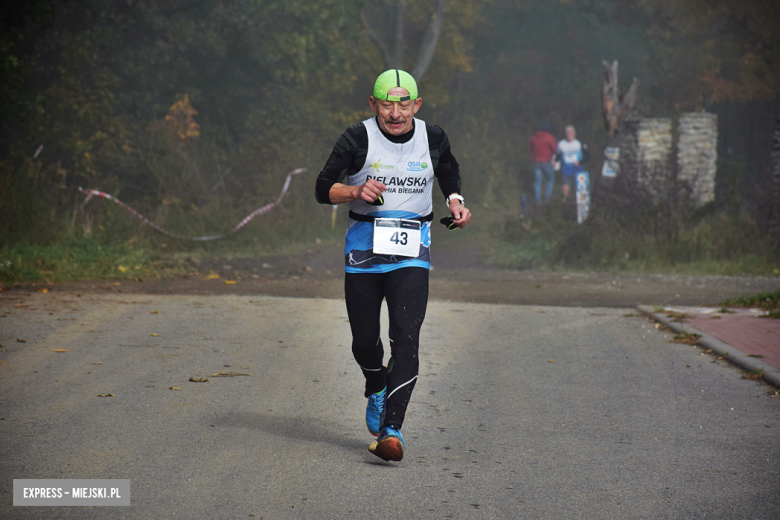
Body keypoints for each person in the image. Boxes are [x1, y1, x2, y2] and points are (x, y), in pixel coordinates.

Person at [315, 69, 471, 462]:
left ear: (417, 105)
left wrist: (455, 199)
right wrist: (354, 190)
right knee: (365, 342)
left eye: (404, 103)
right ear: (374, 105)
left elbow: (448, 168)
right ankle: (376, 385)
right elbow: (322, 188)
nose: (396, 112)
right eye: (388, 103)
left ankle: (392, 429)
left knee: (406, 337)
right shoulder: (357, 138)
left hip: (410, 256)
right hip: (364, 257)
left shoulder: (433, 137)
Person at [557, 125, 590, 202]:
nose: (569, 134)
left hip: (578, 170)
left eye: (570, 132)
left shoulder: (579, 143)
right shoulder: (561, 144)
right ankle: (564, 204)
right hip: (566, 171)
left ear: (574, 133)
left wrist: (580, 162)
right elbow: (558, 156)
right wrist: (555, 163)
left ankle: (582, 207)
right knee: (565, 189)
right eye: (567, 132)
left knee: (581, 189)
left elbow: (588, 156)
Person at [529, 121, 558, 207]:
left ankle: (538, 202)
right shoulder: (550, 137)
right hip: (546, 162)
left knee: (537, 182)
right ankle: (546, 200)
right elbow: (555, 150)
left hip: (537, 162)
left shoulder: (533, 138)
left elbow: (531, 150)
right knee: (550, 179)